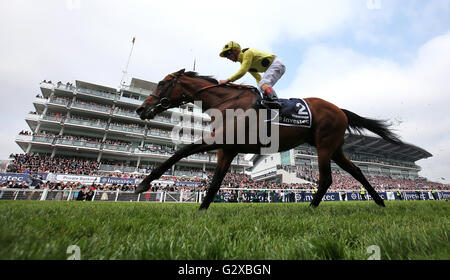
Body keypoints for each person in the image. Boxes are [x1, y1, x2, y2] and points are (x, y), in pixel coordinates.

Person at [218, 41, 285, 109]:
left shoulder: (247, 53)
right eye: (226, 56)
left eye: (228, 53)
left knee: (263, 84)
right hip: (276, 66)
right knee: (261, 87)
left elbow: (242, 71)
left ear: (235, 50)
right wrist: (260, 91)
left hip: (276, 64)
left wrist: (227, 80)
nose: (227, 57)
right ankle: (269, 102)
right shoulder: (245, 62)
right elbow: (258, 77)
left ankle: (274, 101)